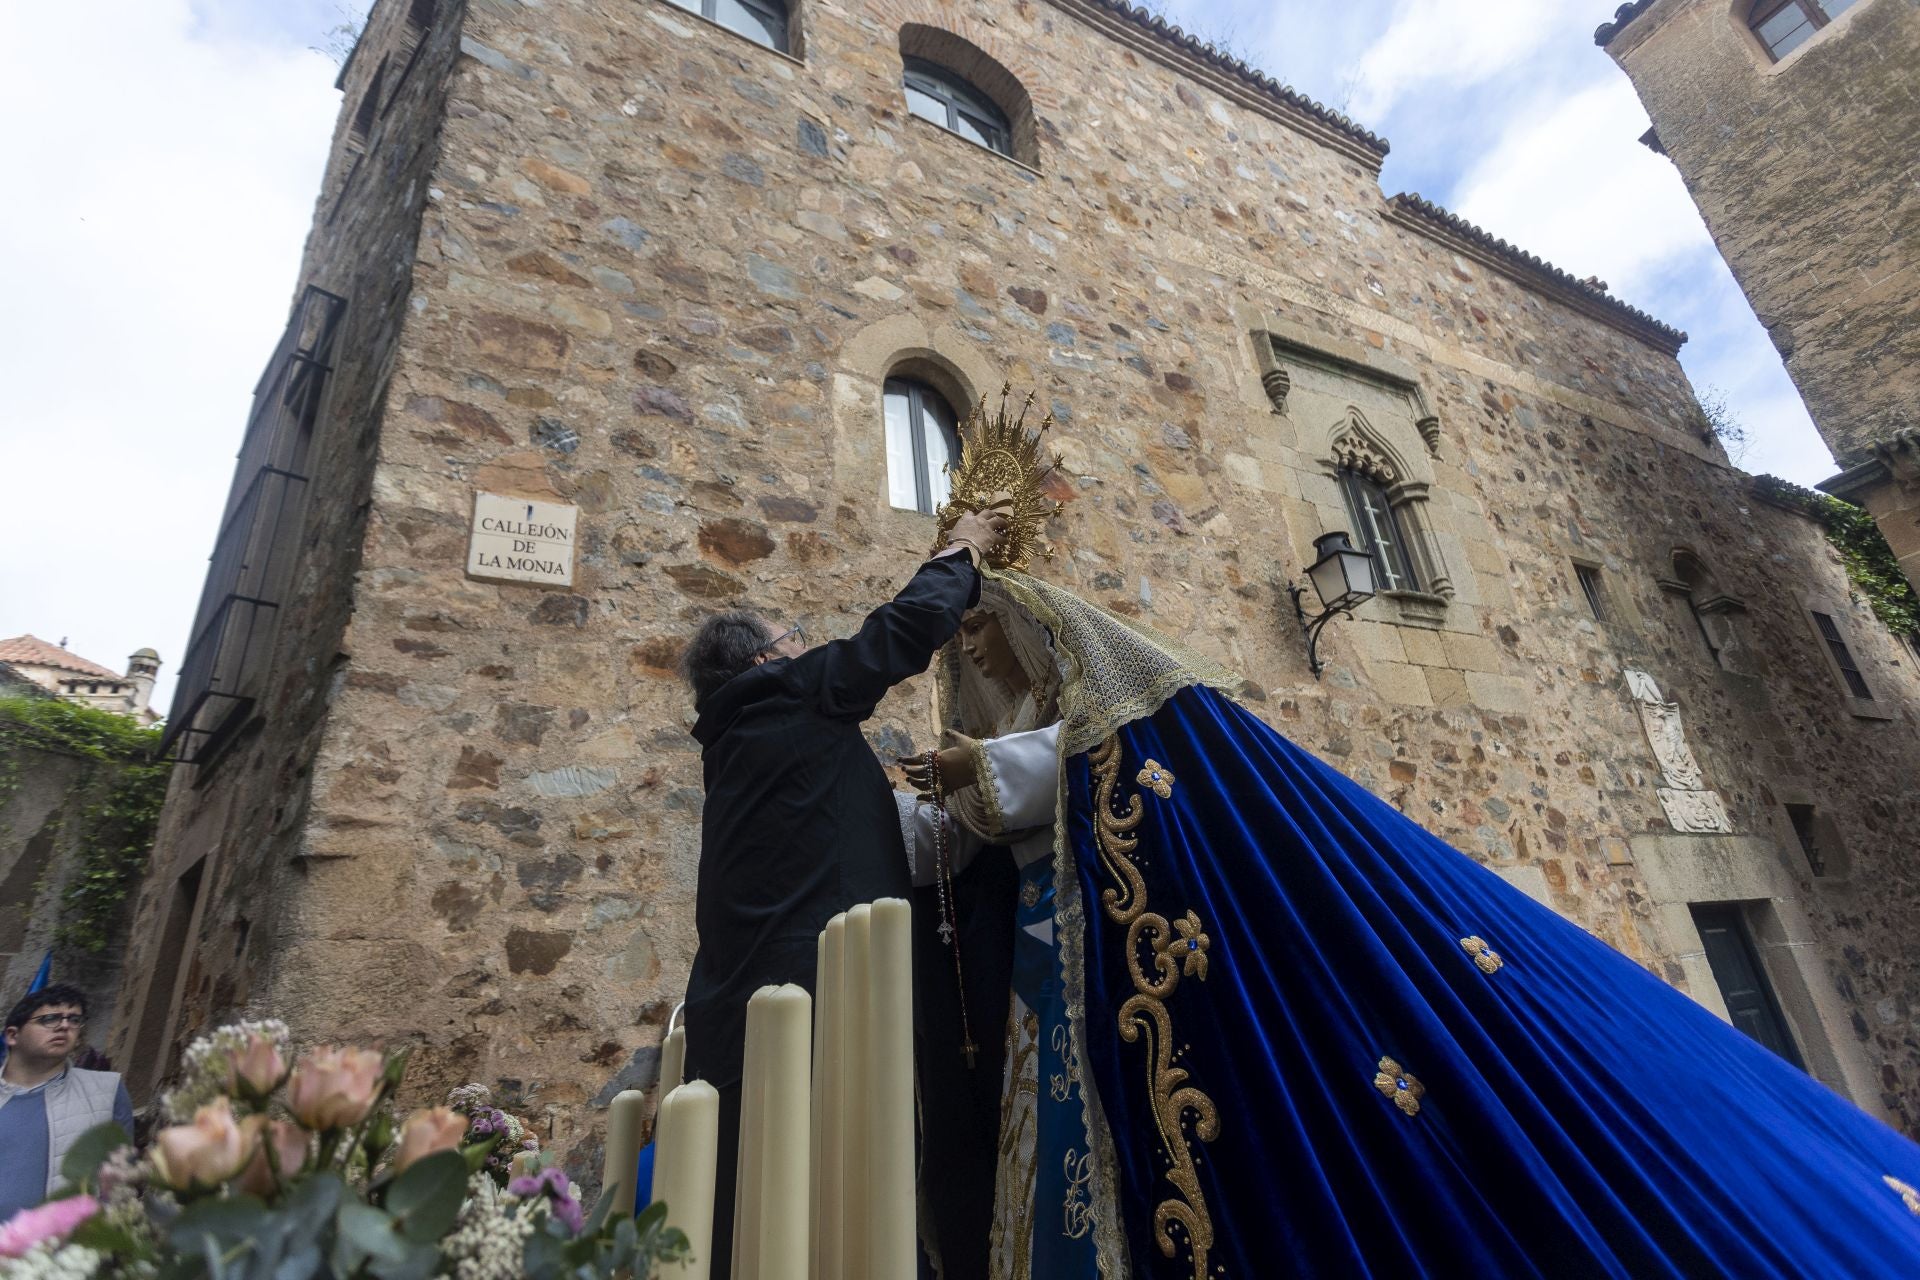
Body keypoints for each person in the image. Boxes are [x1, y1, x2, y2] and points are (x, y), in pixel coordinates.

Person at [898, 567, 1920, 1279]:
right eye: (963, 633)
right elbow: (982, 825)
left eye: (981, 624)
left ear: (1029, 622)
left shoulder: (1085, 701)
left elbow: (1092, 757)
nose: (969, 644)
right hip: (1050, 981)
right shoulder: (1008, 719)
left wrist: (976, 768)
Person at [677, 504, 1006, 1280]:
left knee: (762, 1217)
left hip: (734, 1010)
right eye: (792, 639)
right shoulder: (788, 695)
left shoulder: (735, 746)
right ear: (765, 660)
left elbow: (839, 833)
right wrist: (963, 549)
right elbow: (902, 630)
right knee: (848, 1207)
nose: (800, 647)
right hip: (824, 999)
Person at [0, 985, 134, 1223]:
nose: (64, 1026)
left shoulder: (106, 1091)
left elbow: (120, 1178)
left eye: (74, 1019)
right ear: (12, 1035)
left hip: (65, 1240)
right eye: (49, 1019)